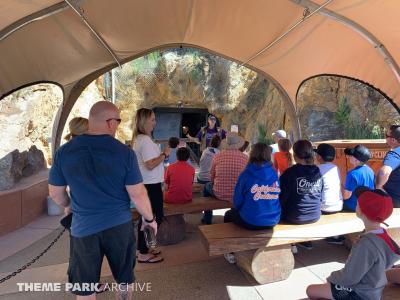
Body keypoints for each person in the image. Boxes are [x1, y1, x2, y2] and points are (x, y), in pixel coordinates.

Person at [48, 101, 157, 299]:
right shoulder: (124, 153)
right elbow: (137, 193)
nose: (117, 125)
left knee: (85, 289)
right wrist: (150, 219)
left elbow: (56, 193)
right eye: (118, 121)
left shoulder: (64, 152)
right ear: (110, 122)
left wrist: (70, 205)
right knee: (124, 280)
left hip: (83, 229)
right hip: (119, 227)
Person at [306, 188, 400, 300]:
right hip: (373, 290)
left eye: (358, 203)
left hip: (360, 294)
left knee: (311, 290)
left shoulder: (366, 244)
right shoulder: (382, 234)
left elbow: (349, 278)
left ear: (360, 211)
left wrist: (331, 278)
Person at [132, 108, 171, 263]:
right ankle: (143, 251)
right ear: (144, 121)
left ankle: (146, 247)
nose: (155, 122)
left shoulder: (140, 139)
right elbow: (150, 164)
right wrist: (165, 154)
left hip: (147, 184)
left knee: (148, 218)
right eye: (152, 119)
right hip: (150, 185)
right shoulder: (145, 141)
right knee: (153, 218)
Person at [225, 142, 281, 229]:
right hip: (273, 220)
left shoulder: (246, 174)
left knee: (228, 214)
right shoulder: (274, 174)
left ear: (252, 154)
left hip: (251, 221)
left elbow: (237, 201)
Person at [279, 140, 323, 250]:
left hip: (294, 217)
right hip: (315, 215)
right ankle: (303, 240)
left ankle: (292, 243)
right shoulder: (317, 171)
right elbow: (320, 194)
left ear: (295, 155)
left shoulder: (290, 173)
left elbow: (281, 198)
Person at [202, 132, 248, 224]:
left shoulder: (217, 156)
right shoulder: (245, 158)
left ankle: (207, 218)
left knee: (206, 187)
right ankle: (233, 213)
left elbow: (212, 176)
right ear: (238, 144)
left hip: (219, 192)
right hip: (237, 194)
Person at [343, 145, 375, 211]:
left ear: (356, 160)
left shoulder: (352, 174)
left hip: (353, 207)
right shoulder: (370, 171)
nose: (349, 157)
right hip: (366, 206)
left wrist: (339, 186)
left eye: (351, 156)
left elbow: (346, 196)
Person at [314, 143, 343, 214]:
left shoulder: (317, 169)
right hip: (338, 205)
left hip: (324, 207)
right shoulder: (335, 168)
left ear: (319, 157)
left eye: (316, 154)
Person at [376, 125, 400, 207]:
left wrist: (378, 187)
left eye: (386, 136)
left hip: (394, 201)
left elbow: (384, 172)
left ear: (393, 140)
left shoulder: (394, 155)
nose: (385, 138)